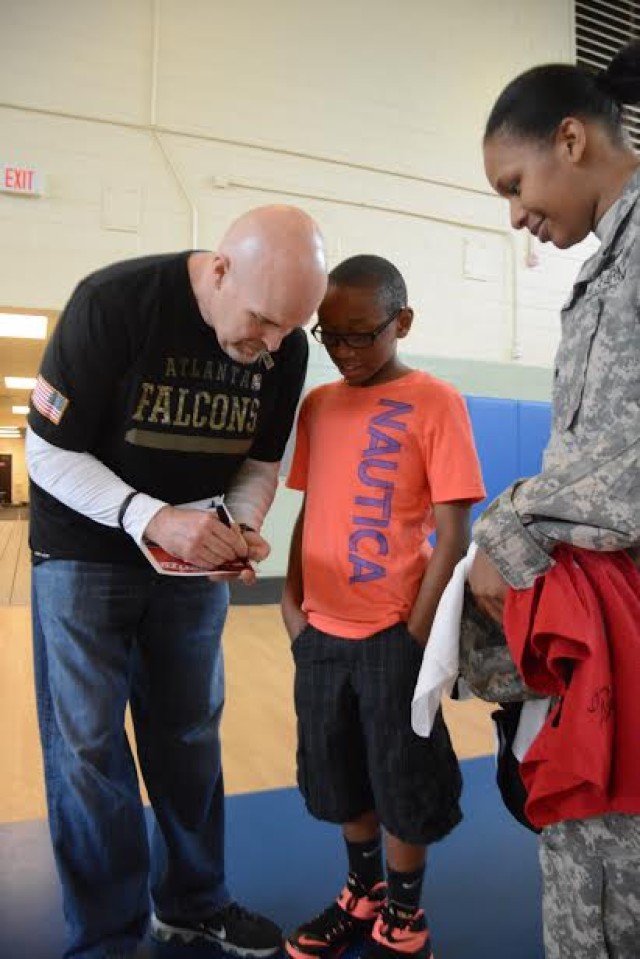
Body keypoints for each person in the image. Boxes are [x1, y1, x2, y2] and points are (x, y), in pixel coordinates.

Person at [26, 205, 328, 959]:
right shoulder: (114, 304)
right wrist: (150, 517)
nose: (269, 346)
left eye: (288, 331)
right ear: (220, 271)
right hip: (83, 554)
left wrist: (243, 519)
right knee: (89, 748)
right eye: (260, 321)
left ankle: (194, 901)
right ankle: (105, 934)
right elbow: (46, 454)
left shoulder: (281, 340)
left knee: (190, 736)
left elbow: (259, 462)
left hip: (193, 557)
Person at [468, 42, 640, 959]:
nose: (515, 213)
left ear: (569, 138)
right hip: (606, 626)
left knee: (610, 896)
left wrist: (513, 522)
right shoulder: (607, 263)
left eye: (513, 182)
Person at [281, 255, 486, 959]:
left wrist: (415, 634)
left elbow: (455, 530)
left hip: (395, 631)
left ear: (402, 322)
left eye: (362, 335)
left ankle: (403, 911)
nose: (344, 351)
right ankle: (360, 891)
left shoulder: (437, 401)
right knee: (340, 773)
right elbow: (310, 507)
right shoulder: (319, 403)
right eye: (329, 335)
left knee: (404, 777)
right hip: (321, 631)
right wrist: (291, 602)